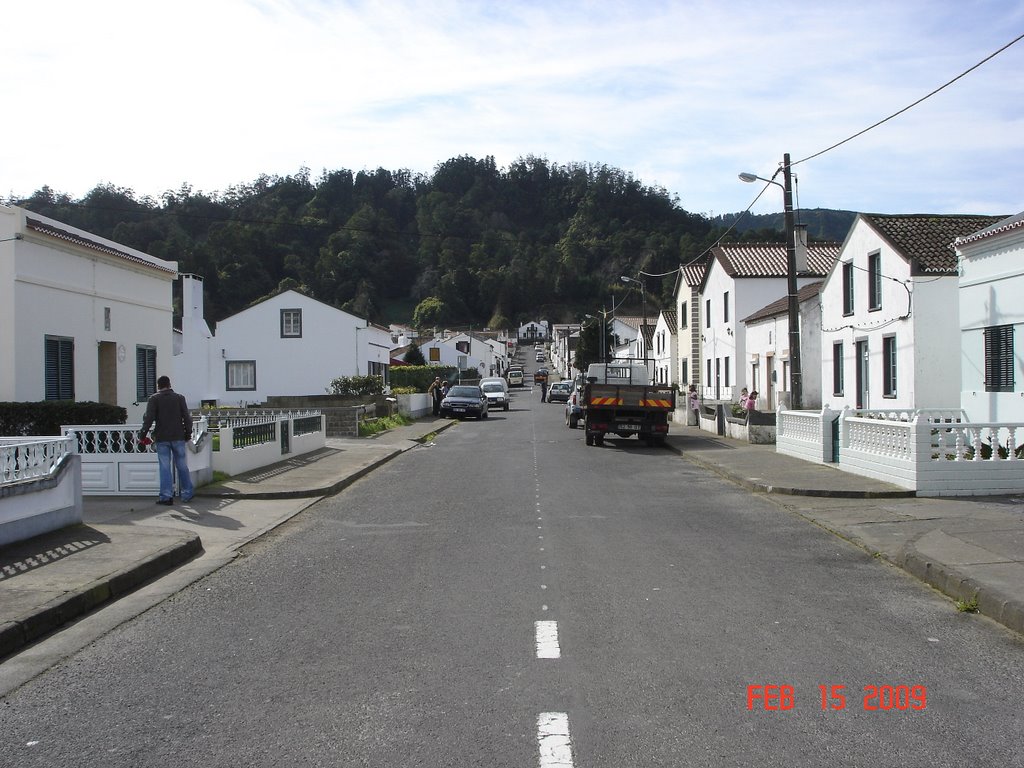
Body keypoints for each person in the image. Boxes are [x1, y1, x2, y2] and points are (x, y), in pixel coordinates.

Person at [140, 375, 194, 505]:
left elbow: (149, 418)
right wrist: (188, 433)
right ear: (169, 384)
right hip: (178, 436)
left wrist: (143, 434)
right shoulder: (179, 398)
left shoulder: (154, 399)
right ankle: (187, 493)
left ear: (158, 386)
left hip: (162, 437)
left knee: (164, 467)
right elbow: (187, 417)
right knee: (181, 465)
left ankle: (166, 496)